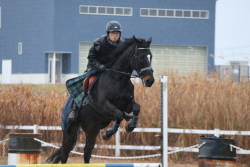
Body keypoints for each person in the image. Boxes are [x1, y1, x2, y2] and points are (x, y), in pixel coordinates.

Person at [67, 21, 123, 121]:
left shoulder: (122, 46)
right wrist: (99, 66)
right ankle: (74, 109)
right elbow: (91, 57)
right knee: (83, 82)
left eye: (117, 33)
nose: (115, 36)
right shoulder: (99, 43)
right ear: (108, 34)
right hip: (95, 68)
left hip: (111, 72)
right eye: (113, 33)